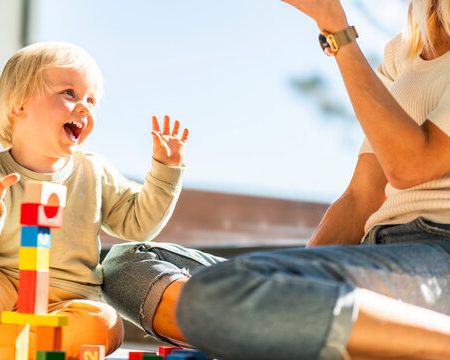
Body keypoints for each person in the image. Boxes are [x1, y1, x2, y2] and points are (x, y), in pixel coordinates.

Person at [100, 1, 450, 359]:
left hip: (439, 258)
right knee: (125, 266)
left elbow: (410, 167)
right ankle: (316, 333)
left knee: (215, 294)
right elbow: (362, 196)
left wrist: (335, 26)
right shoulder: (402, 53)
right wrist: (292, 285)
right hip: (371, 257)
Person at [0, 42, 189, 360]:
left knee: (105, 324)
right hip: (0, 282)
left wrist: (166, 171)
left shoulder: (94, 171)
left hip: (68, 296)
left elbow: (139, 224)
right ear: (19, 105)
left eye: (91, 100)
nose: (85, 107)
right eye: (69, 93)